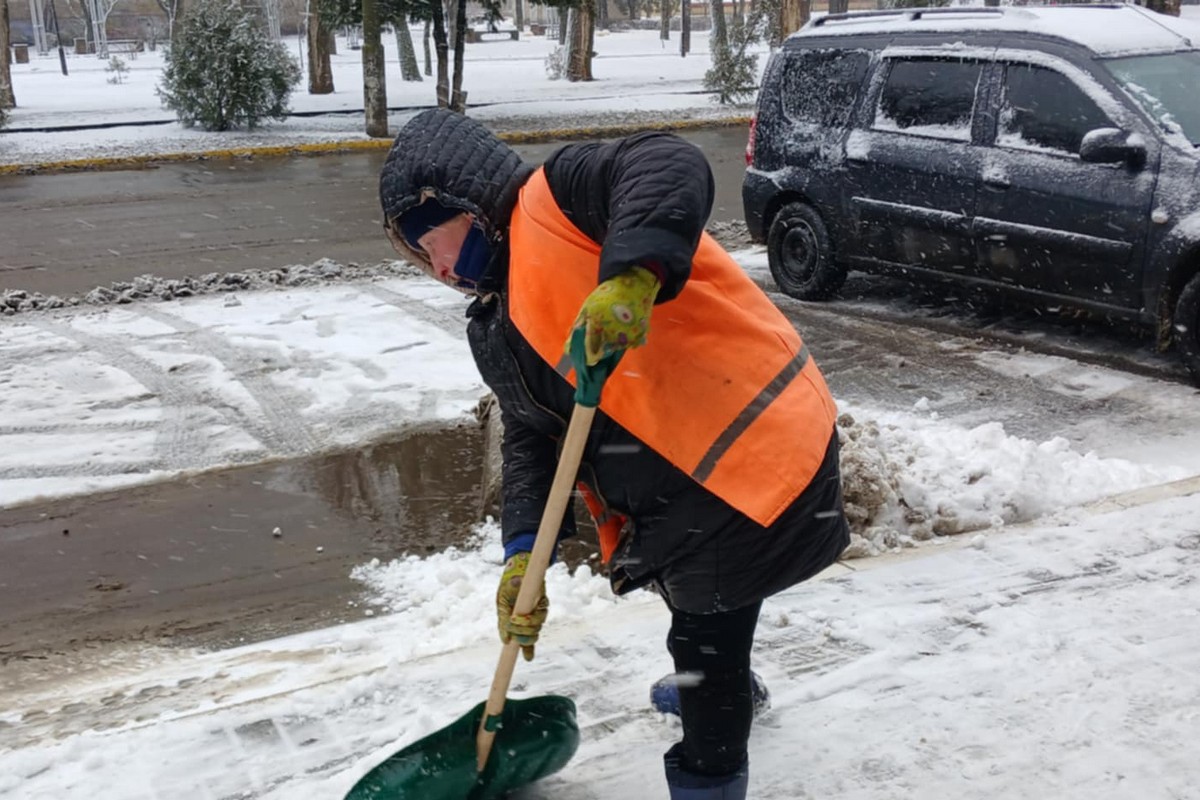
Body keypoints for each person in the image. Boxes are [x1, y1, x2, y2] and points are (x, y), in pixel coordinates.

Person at [379, 108, 850, 800]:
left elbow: (668, 164)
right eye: (421, 257)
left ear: (462, 199)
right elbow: (532, 438)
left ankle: (710, 763)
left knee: (703, 637)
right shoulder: (496, 324)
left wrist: (632, 274)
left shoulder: (557, 197)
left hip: (754, 439)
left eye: (432, 236)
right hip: (692, 479)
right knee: (701, 601)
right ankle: (723, 686)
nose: (440, 266)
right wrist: (521, 553)